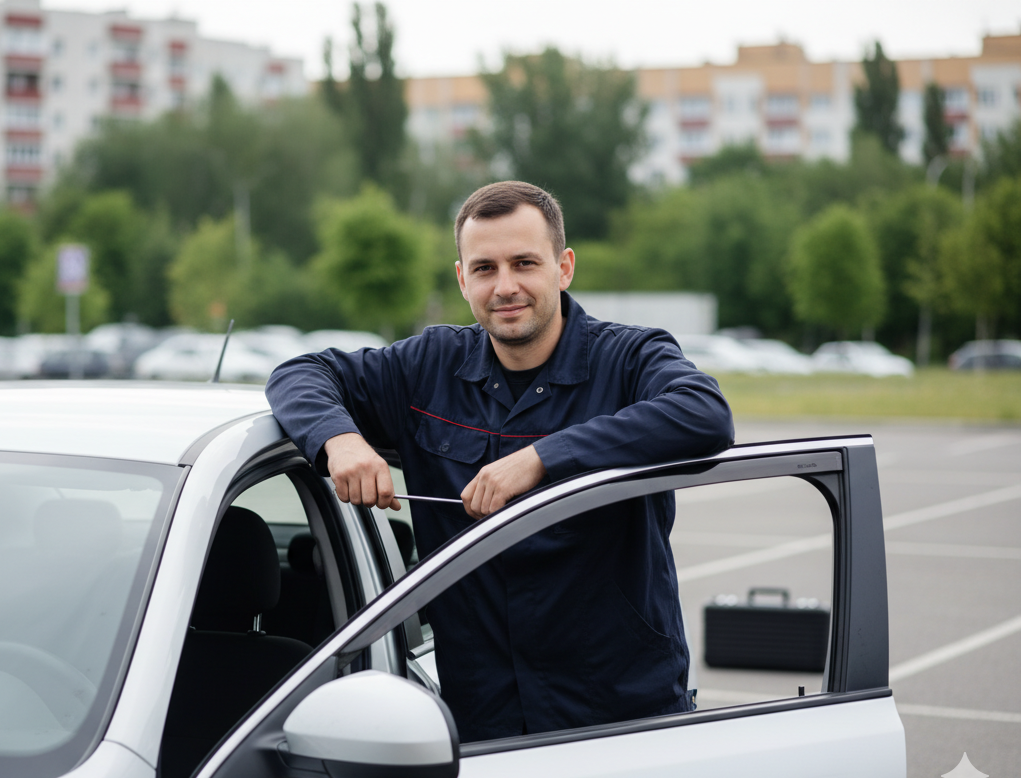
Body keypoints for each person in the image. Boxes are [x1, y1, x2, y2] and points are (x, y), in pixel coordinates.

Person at [266, 181, 734, 742]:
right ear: (463, 279)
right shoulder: (428, 367)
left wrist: (543, 458)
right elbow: (299, 374)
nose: (505, 286)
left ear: (563, 268)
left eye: (524, 263)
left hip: (624, 717)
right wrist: (339, 439)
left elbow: (706, 414)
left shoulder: (628, 359)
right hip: (484, 721)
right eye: (485, 268)